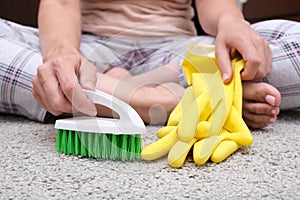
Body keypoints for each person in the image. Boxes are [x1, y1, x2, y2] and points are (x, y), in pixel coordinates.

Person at [0, 0, 299, 129]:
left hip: (177, 53)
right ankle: (193, 101)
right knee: (50, 64)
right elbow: (61, 4)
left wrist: (234, 24)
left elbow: (214, 6)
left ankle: (101, 96)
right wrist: (61, 55)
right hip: (90, 51)